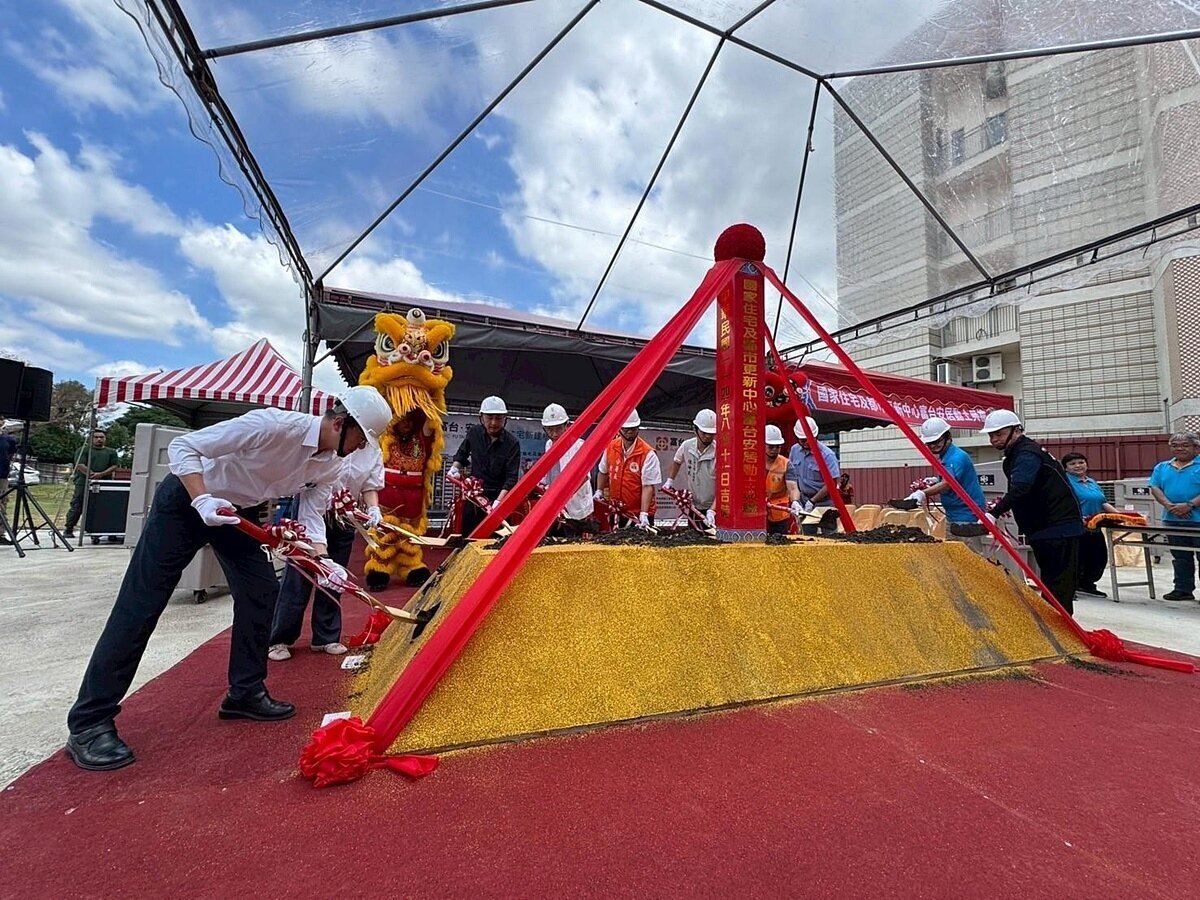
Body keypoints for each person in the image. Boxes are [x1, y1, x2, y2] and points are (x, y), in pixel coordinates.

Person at [64, 387, 393, 772]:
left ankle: (245, 693)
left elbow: (311, 513)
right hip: (187, 502)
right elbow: (185, 448)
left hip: (236, 514)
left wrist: (325, 563)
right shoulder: (272, 425)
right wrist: (201, 498)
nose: (360, 450)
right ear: (340, 423)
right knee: (142, 603)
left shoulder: (331, 464)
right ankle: (89, 722)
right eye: (360, 439)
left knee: (261, 590)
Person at [268, 442, 385, 660]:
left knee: (335, 576)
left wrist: (373, 508)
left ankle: (326, 636)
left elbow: (369, 484)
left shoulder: (373, 449)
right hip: (312, 507)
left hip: (345, 516)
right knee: (299, 575)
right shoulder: (329, 440)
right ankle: (280, 638)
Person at [981, 409, 1084, 613]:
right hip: (1046, 527)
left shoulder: (1026, 453)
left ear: (1017, 430)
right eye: (991, 435)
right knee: (1052, 583)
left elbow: (1021, 486)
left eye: (999, 434)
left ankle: (1060, 632)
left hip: (1057, 527)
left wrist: (994, 512)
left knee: (1058, 587)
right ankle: (1056, 628)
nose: (994, 439)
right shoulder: (1018, 453)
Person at [907, 417, 988, 554]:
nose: (933, 446)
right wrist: (933, 481)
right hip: (954, 515)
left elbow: (948, 483)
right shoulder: (947, 456)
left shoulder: (956, 457)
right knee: (954, 557)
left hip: (967, 517)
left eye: (936, 442)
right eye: (930, 443)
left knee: (972, 561)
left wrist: (923, 493)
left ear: (948, 437)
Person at [449, 396, 521, 536]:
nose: (493, 423)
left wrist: (498, 503)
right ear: (481, 417)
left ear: (506, 419)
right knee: (468, 535)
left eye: (498, 418)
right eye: (489, 417)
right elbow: (462, 454)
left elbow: (511, 478)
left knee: (495, 540)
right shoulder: (474, 433)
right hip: (475, 495)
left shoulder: (512, 443)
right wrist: (454, 468)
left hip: (497, 498)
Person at [1148, 433, 1200, 602]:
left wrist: (1190, 505)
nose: (1180, 448)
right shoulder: (1161, 467)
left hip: (1197, 520)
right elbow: (1155, 487)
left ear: (1195, 447)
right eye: (1175, 445)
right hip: (1172, 519)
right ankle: (1182, 589)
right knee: (1180, 557)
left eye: (1185, 445)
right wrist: (1169, 506)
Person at [1062, 452, 1119, 599]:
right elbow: (1063, 504)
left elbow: (1103, 502)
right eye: (1072, 463)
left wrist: (1121, 517)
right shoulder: (1064, 482)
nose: (1078, 466)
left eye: (1081, 462)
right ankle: (1069, 588)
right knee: (1076, 558)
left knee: (1098, 558)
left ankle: (1087, 584)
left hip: (1095, 526)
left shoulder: (1092, 482)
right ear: (1066, 468)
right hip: (1075, 527)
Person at [595, 409, 661, 529]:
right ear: (619, 428)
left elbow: (648, 486)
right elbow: (603, 472)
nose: (630, 432)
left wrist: (644, 514)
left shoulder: (647, 453)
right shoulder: (610, 447)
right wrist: (599, 490)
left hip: (638, 513)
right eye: (626, 429)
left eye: (634, 428)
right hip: (616, 510)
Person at [540, 403, 596, 536]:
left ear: (567, 426)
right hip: (554, 508)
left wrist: (562, 497)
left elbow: (584, 477)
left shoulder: (579, 446)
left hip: (577, 510)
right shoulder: (548, 445)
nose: (554, 434)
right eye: (550, 429)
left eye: (558, 429)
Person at [786, 416, 840, 535]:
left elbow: (831, 483)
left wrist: (813, 500)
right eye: (802, 440)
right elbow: (791, 475)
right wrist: (796, 500)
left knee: (831, 537)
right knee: (807, 536)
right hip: (803, 500)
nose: (805, 443)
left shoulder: (827, 455)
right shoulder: (795, 450)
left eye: (808, 439)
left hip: (824, 502)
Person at [664, 408, 717, 528]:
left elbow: (725, 486)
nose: (708, 436)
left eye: (711, 433)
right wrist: (670, 480)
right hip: (694, 506)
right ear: (695, 429)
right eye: (704, 432)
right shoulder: (687, 446)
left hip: (714, 509)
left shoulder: (720, 451)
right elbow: (677, 461)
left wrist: (712, 510)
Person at [63, 430, 120, 538]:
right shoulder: (83, 450)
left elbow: (114, 466)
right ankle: (69, 528)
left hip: (104, 484)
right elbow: (80, 464)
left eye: (102, 437)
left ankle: (103, 530)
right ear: (91, 439)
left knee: (103, 507)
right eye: (96, 437)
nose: (99, 439)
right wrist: (92, 474)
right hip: (83, 483)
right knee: (77, 506)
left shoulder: (111, 452)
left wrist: (101, 474)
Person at [764, 424, 792, 535]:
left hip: (779, 514)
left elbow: (792, 487)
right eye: (771, 446)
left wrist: (795, 501)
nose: (775, 450)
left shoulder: (786, 464)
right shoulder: (752, 461)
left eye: (778, 446)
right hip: (756, 512)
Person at [0, 418, 17, 542]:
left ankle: (0, 533)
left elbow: (11, 454)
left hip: (2, 475)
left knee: (2, 504)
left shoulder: (8, 439)